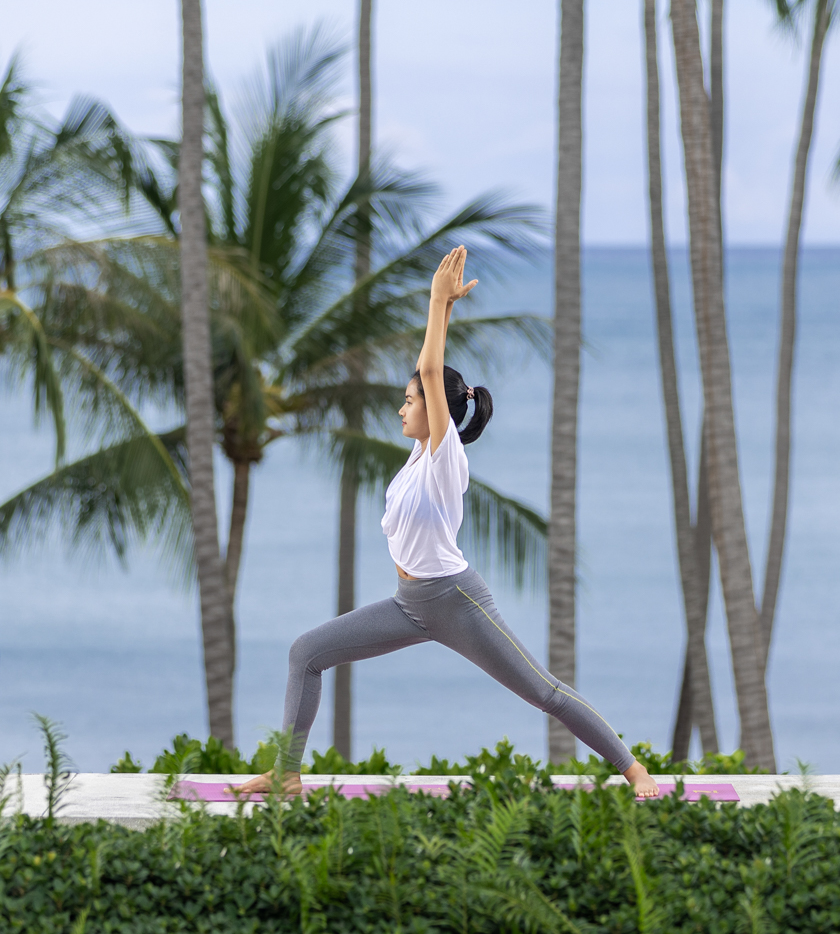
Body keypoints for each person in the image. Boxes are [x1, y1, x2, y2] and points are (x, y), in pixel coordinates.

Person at [234, 246, 659, 799]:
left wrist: (436, 304)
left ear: (434, 412)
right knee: (305, 653)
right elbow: (438, 378)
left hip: (457, 602)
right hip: (408, 605)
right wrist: (448, 308)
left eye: (410, 400)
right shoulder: (416, 458)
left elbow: (433, 372)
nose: (402, 408)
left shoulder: (445, 457)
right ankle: (287, 772)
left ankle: (635, 769)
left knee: (543, 692)